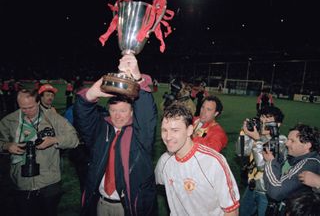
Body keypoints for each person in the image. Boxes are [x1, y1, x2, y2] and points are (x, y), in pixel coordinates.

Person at [74, 54, 158, 216]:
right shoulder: (101, 130)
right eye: (113, 111)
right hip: (101, 203)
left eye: (123, 111)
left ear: (132, 111)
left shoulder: (140, 135)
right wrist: (91, 94)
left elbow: (147, 117)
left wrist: (139, 80)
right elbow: (82, 119)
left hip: (129, 207)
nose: (118, 116)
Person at [0, 88, 79, 216]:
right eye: (22, 108)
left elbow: (73, 139)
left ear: (38, 102)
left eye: (30, 107)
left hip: (49, 182)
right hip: (22, 182)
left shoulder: (52, 118)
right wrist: (7, 146)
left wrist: (54, 140)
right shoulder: (10, 120)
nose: (26, 111)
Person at [155, 102, 240, 216]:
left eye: (175, 130)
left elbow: (231, 210)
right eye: (164, 130)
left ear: (190, 130)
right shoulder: (164, 161)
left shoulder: (214, 162)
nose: (168, 137)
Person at [237, 106, 287, 216]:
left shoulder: (281, 141)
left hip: (267, 192)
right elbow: (241, 152)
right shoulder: (258, 137)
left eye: (268, 120)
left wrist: (257, 140)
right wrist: (244, 134)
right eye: (262, 119)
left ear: (278, 124)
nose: (263, 123)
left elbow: (262, 165)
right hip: (252, 187)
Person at [263, 124, 320, 215]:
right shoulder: (295, 157)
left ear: (307, 145)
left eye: (292, 141)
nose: (287, 143)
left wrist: (270, 162)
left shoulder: (309, 164)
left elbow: (276, 192)